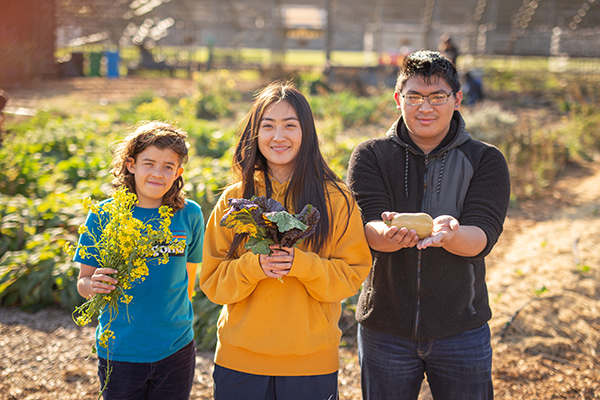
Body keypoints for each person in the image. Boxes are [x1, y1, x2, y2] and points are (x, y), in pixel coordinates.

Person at [347, 50, 510, 399]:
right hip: (385, 328)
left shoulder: (485, 160)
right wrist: (390, 234)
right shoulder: (370, 155)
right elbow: (368, 227)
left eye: (437, 97)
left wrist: (449, 235)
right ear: (397, 99)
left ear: (457, 99)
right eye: (414, 97)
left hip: (460, 328)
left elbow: (482, 235)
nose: (425, 107)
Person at [200, 81, 372, 400]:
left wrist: (301, 265)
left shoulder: (336, 198)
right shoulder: (235, 199)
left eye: (289, 126)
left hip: (311, 364)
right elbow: (212, 281)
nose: (279, 137)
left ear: (306, 133)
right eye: (268, 126)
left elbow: (351, 275)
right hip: (240, 362)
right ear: (255, 134)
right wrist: (255, 266)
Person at [73, 121, 205, 400]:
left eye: (168, 166)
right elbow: (83, 283)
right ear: (131, 164)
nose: (158, 173)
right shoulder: (103, 215)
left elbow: (189, 281)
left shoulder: (189, 214)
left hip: (176, 349)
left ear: (179, 173)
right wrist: (93, 285)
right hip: (121, 350)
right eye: (149, 163)